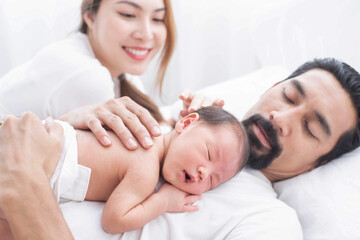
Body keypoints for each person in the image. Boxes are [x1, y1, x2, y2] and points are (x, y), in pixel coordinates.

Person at [1, 58, 359, 239]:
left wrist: (26, 193)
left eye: (311, 129)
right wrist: (75, 119)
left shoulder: (270, 222)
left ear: (316, 164)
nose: (282, 117)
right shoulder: (182, 122)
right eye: (289, 95)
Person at [0, 0, 224, 150]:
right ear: (90, 17)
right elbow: (139, 160)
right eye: (128, 14)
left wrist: (185, 115)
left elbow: (151, 127)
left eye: (157, 19)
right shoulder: (86, 75)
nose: (146, 34)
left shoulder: (117, 68)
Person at [0, 106, 249, 237]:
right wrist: (162, 202)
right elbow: (113, 220)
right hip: (27, 156)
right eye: (207, 154)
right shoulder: (146, 168)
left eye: (213, 181)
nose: (204, 172)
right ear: (185, 123)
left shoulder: (143, 130)